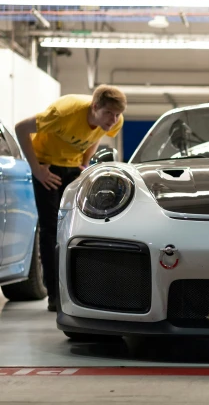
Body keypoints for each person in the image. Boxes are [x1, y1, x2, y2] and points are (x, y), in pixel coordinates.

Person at [15, 85, 127, 312]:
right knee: (50, 230)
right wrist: (36, 170)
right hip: (47, 166)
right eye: (108, 114)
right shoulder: (64, 112)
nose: (113, 120)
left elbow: (97, 134)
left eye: (116, 115)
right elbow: (20, 129)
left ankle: (79, 292)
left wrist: (85, 163)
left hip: (72, 167)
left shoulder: (115, 120)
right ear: (95, 107)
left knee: (77, 229)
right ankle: (54, 295)